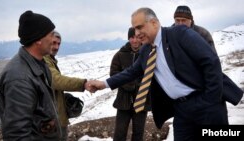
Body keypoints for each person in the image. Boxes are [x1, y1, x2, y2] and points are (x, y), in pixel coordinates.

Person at [89, 7, 243, 141]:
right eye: (134, 29)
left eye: (139, 27)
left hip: (206, 104)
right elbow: (131, 72)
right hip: (181, 110)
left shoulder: (179, 33)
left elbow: (211, 61)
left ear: (154, 23)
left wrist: (211, 99)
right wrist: (104, 84)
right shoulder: (145, 50)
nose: (136, 33)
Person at [0, 10, 62, 140]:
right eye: (51, 35)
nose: (53, 39)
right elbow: (17, 135)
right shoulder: (19, 78)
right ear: (38, 39)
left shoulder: (40, 64)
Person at [44, 31, 91, 140]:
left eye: (58, 44)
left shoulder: (50, 60)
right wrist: (83, 84)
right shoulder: (45, 60)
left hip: (56, 117)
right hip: (53, 119)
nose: (56, 47)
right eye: (53, 43)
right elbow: (56, 80)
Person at [110, 27, 150, 141]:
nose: (135, 40)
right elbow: (113, 74)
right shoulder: (120, 55)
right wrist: (128, 84)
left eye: (137, 37)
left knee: (138, 134)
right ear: (128, 38)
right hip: (123, 101)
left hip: (142, 100)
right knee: (119, 134)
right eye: (132, 37)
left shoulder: (147, 53)